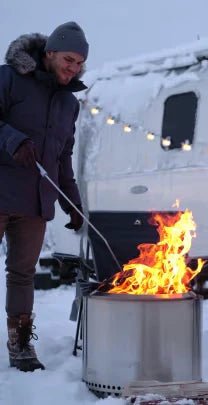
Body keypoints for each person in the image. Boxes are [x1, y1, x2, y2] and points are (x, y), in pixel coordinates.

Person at [0, 21, 88, 372]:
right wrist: (12, 139)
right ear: (49, 53)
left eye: (80, 63)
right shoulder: (9, 78)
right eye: (68, 59)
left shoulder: (69, 104)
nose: (74, 68)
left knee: (22, 275)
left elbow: (62, 156)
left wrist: (72, 199)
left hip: (34, 202)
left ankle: (21, 346)